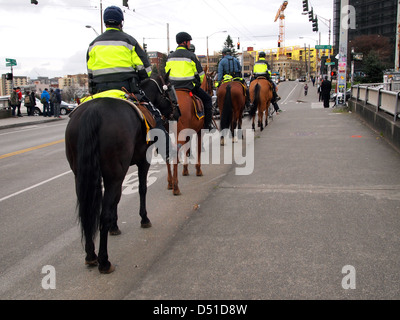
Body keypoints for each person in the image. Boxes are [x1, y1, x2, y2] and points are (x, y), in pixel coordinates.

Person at [86, 6, 174, 161]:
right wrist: (137, 78)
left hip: (99, 92)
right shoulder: (130, 41)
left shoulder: (93, 44)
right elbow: (146, 70)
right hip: (126, 90)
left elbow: (90, 73)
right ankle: (167, 152)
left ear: (105, 22)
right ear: (121, 22)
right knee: (156, 116)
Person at [165, 31, 213, 130]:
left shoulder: (170, 57)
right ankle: (207, 125)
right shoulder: (191, 56)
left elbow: (166, 72)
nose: (190, 44)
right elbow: (200, 75)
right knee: (208, 100)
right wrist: (197, 84)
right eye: (189, 42)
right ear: (185, 42)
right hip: (188, 87)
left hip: (172, 90)